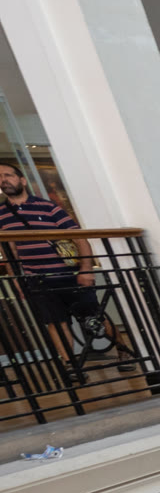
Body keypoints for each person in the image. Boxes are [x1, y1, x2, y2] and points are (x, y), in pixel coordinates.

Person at [0, 161, 105, 378]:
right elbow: (10, 251)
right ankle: (71, 366)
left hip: (69, 275)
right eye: (0, 178)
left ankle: (123, 351)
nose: (3, 180)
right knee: (55, 322)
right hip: (37, 278)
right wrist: (17, 279)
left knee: (94, 318)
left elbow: (79, 237)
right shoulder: (2, 213)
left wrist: (86, 269)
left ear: (22, 180)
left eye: (8, 175)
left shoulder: (48, 206)